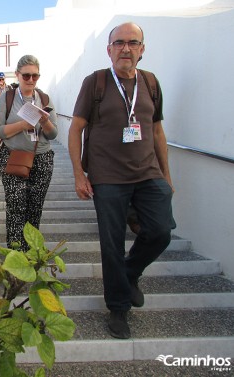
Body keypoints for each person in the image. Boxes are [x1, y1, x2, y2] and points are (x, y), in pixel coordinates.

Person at [68, 22, 176, 339]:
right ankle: (118, 307)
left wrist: (167, 177)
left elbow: (156, 131)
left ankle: (130, 272)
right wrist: (78, 173)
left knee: (160, 231)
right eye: (119, 43)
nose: (125, 48)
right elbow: (75, 128)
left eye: (132, 42)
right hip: (107, 177)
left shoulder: (152, 83)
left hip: (147, 173)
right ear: (109, 49)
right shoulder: (96, 82)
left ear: (142, 49)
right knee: (112, 244)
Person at [0, 55, 58, 251]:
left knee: (34, 208)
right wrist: (23, 124)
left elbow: (53, 134)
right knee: (15, 207)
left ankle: (30, 254)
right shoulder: (8, 97)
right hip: (13, 157)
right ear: (18, 75)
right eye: (27, 76)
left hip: (42, 158)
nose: (31, 80)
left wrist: (44, 120)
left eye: (35, 76)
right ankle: (15, 256)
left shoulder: (45, 98)